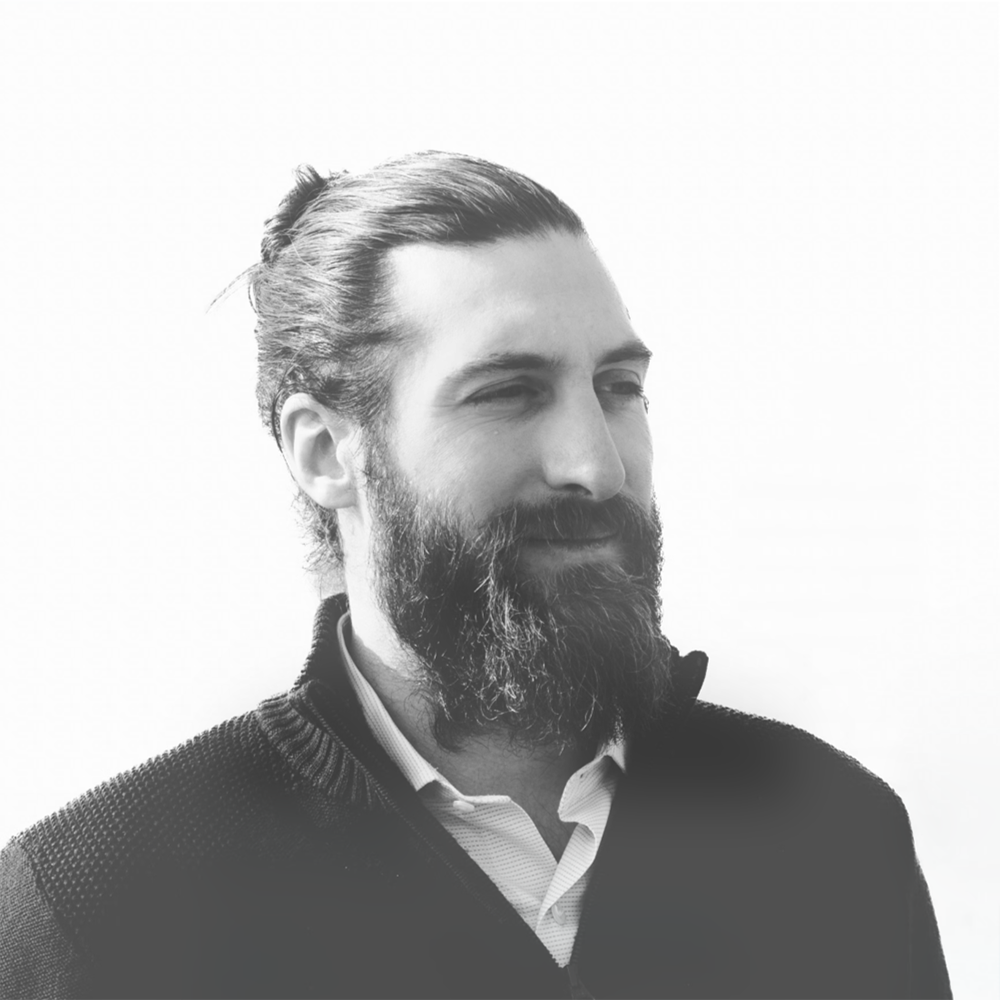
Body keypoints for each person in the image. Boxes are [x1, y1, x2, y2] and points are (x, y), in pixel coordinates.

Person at [0, 152, 951, 1000]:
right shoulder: (103, 905)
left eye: (618, 387)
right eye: (507, 393)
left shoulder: (832, 836)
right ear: (325, 451)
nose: (596, 465)